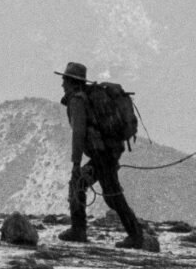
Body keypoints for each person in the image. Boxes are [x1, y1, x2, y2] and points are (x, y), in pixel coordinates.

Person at [58, 61, 147, 248]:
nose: (62, 84)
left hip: (102, 155)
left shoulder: (77, 101)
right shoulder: (88, 97)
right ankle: (134, 234)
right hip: (109, 152)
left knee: (104, 191)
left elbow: (78, 133)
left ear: (71, 81)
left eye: (64, 80)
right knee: (108, 192)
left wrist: (75, 163)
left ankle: (81, 231)